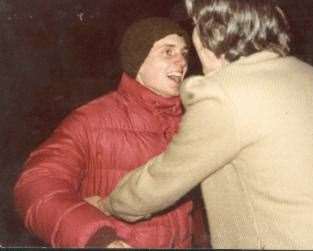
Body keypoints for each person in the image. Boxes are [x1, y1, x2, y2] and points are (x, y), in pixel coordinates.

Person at [86, 1, 313, 250]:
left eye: (195, 26)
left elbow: (161, 180)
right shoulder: (305, 74)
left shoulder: (226, 94)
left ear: (211, 33)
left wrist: (107, 203)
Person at [14, 17, 195, 248]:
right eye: (168, 52)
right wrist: (98, 238)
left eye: (184, 52)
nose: (182, 62)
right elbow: (35, 186)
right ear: (138, 61)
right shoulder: (93, 119)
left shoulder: (190, 123)